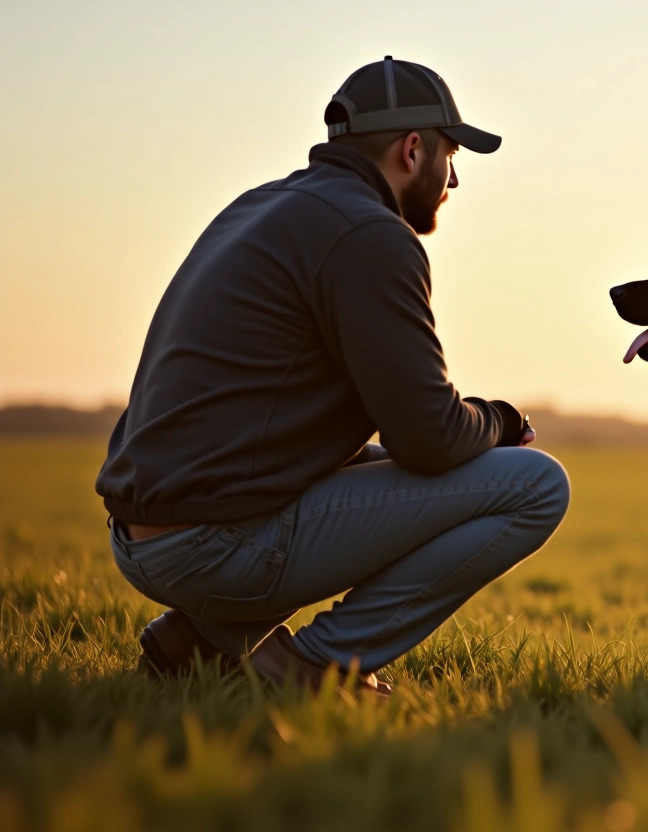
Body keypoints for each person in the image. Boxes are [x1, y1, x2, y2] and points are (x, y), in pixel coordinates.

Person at [95, 57, 570, 694]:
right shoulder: (371, 235)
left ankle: (199, 641)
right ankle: (315, 669)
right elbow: (429, 438)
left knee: (372, 461)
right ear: (412, 150)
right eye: (451, 154)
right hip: (210, 543)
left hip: (144, 532)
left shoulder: (263, 206)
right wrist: (502, 422)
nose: (454, 177)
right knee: (536, 485)